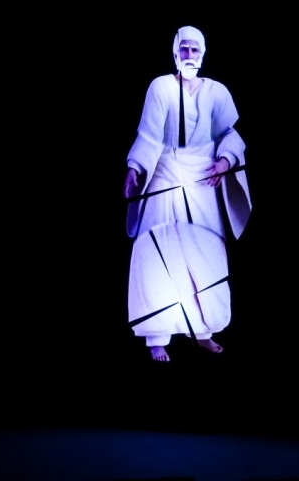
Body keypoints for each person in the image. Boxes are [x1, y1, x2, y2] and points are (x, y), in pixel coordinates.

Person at [124, 26, 251, 362]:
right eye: (184, 49)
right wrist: (135, 167)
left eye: (195, 50)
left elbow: (230, 135)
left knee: (206, 253)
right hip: (163, 175)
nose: (189, 55)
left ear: (203, 53)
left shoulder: (217, 92)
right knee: (158, 252)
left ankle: (204, 331)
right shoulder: (160, 87)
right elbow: (149, 134)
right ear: (175, 53)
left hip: (202, 181)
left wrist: (225, 161)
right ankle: (157, 337)